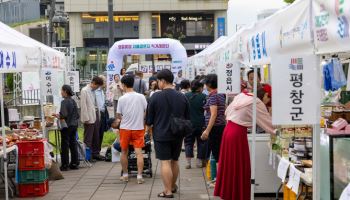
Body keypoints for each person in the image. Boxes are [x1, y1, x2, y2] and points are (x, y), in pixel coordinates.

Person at [214, 85, 275, 200]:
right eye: (269, 97)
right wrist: (281, 130)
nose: (269, 101)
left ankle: (229, 193)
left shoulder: (243, 96)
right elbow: (268, 124)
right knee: (240, 165)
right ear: (266, 95)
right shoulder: (256, 102)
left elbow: (227, 112)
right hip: (237, 134)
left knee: (230, 165)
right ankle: (237, 195)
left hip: (228, 131)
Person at [146, 69, 190, 198]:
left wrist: (148, 130)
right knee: (175, 161)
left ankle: (168, 191)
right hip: (178, 133)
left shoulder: (155, 97)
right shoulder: (182, 96)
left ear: (163, 81)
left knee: (165, 162)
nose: (157, 83)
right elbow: (187, 117)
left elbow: (149, 119)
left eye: (158, 81)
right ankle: (172, 186)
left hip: (161, 133)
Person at [115, 75, 148, 184]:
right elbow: (146, 111)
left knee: (124, 152)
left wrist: (123, 118)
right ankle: (139, 176)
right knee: (139, 153)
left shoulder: (121, 98)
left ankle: (125, 175)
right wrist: (141, 119)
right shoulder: (141, 97)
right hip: (138, 128)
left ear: (124, 85)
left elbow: (119, 115)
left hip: (125, 129)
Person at [201, 74, 226, 181]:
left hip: (215, 128)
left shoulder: (213, 95)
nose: (205, 85)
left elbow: (213, 114)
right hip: (220, 126)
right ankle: (219, 179)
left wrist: (207, 130)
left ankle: (219, 180)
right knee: (218, 153)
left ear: (210, 84)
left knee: (217, 155)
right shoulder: (220, 94)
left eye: (206, 83)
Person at [184, 79, 207, 169]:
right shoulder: (204, 96)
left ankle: (188, 163)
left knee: (188, 142)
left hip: (188, 123)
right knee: (201, 142)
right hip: (200, 123)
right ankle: (199, 162)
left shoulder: (186, 96)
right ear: (200, 88)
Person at [56, 85, 80, 171]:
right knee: (73, 144)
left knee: (65, 145)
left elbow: (64, 115)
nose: (61, 92)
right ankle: (74, 163)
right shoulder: (73, 101)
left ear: (65, 91)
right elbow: (77, 115)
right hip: (74, 125)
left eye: (62, 91)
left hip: (67, 126)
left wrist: (58, 115)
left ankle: (65, 165)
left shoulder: (64, 102)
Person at [80, 76, 104, 162]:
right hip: (89, 117)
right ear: (93, 83)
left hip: (96, 115)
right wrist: (85, 118)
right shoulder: (84, 90)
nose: (97, 88)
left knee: (96, 135)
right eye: (97, 86)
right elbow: (83, 106)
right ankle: (87, 156)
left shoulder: (93, 91)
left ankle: (95, 153)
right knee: (88, 137)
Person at [95, 75, 108, 160]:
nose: (106, 83)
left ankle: (98, 151)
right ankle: (96, 152)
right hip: (97, 113)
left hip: (103, 113)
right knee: (97, 133)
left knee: (101, 132)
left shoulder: (102, 91)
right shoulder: (95, 91)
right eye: (104, 81)